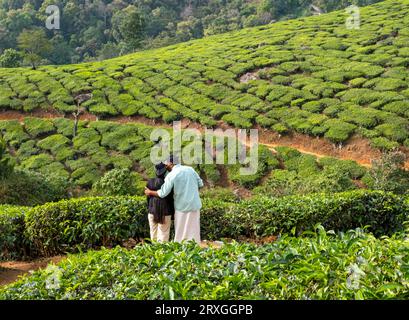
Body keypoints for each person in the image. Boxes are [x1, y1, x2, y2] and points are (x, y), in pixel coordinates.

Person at [145, 155, 204, 244]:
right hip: (195, 205)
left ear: (170, 163)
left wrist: (150, 192)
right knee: (194, 230)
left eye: (166, 164)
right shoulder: (190, 169)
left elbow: (162, 193)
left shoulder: (172, 175)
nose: (166, 166)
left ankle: (182, 251)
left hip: (181, 207)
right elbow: (200, 184)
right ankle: (195, 248)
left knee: (181, 232)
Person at [146, 162, 174, 242]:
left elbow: (148, 199)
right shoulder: (168, 182)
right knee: (163, 235)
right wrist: (173, 213)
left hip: (152, 211)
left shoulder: (149, 182)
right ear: (165, 171)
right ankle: (162, 253)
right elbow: (171, 199)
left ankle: (154, 253)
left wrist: (149, 208)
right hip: (165, 212)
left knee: (153, 234)